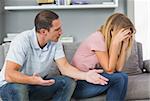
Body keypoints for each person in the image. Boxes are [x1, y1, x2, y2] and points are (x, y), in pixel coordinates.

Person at [0, 10, 109, 101]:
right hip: (11, 87)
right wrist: (32, 80)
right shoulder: (22, 41)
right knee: (19, 88)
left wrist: (86, 75)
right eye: (57, 30)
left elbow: (65, 67)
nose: (61, 32)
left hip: (36, 86)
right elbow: (9, 75)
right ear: (43, 32)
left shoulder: (55, 42)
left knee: (67, 82)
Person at [72, 13, 136, 101]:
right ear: (112, 30)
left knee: (123, 76)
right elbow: (109, 70)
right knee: (119, 79)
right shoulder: (98, 38)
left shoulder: (110, 41)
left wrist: (124, 45)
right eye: (123, 34)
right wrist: (115, 44)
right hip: (79, 85)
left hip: (93, 80)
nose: (126, 37)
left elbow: (119, 68)